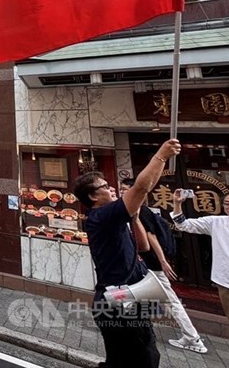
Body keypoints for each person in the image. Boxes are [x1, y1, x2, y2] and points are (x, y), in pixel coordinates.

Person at [73, 139, 181, 368]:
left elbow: (143, 247)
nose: (111, 188)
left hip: (130, 297)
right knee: (142, 359)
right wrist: (161, 155)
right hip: (117, 302)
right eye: (105, 187)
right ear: (93, 197)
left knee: (136, 356)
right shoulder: (101, 217)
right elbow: (141, 188)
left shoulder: (114, 218)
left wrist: (134, 217)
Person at [118, 179, 206, 353]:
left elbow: (152, 238)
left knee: (170, 301)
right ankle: (123, 327)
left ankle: (192, 338)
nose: (123, 193)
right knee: (129, 295)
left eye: (126, 189)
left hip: (151, 264)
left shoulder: (141, 211)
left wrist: (163, 261)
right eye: (121, 189)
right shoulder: (134, 210)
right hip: (142, 264)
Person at [171, 188, 229, 329]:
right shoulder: (216, 222)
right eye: (227, 204)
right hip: (227, 283)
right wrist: (177, 204)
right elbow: (183, 225)